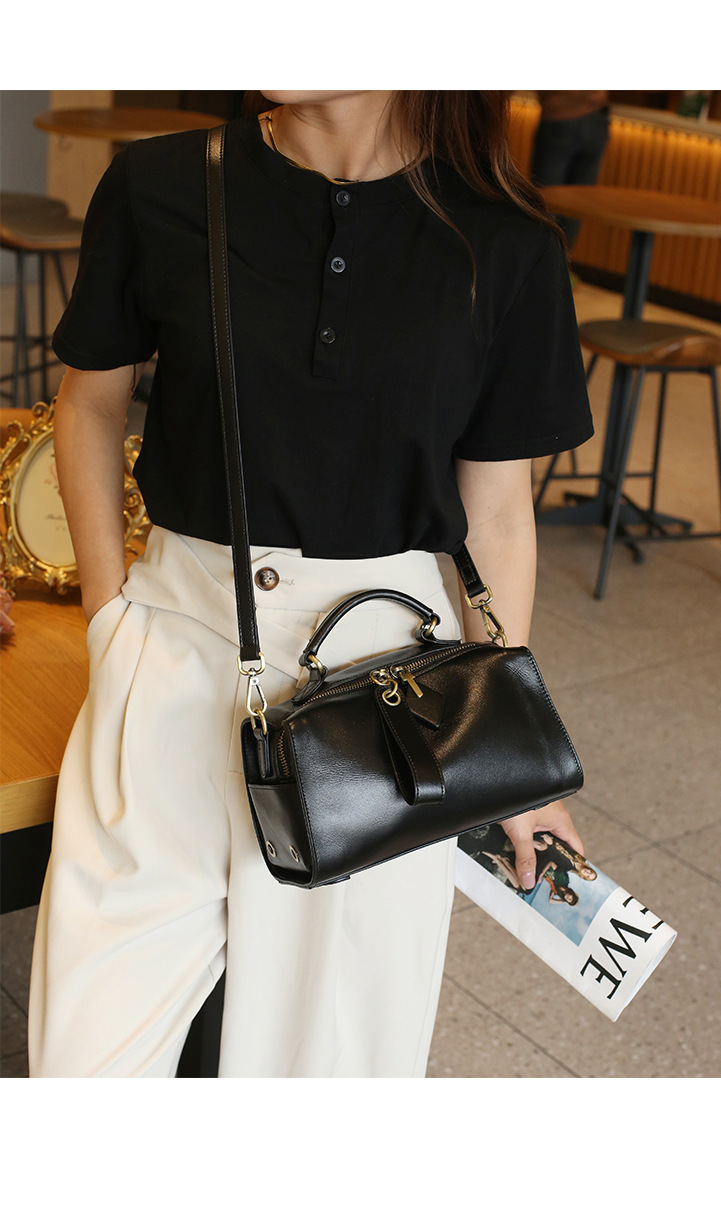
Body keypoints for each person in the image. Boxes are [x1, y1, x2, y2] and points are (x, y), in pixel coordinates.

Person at [28, 91, 593, 1078]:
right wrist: (110, 616)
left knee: (326, 1070)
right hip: (173, 641)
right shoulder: (163, 184)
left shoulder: (504, 240)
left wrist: (511, 753)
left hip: (389, 700)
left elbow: (498, 509)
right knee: (88, 1053)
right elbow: (90, 402)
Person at [530, 91, 610, 251]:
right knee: (571, 207)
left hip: (561, 116)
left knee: (546, 205)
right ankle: (559, 262)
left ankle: (546, 263)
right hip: (597, 117)